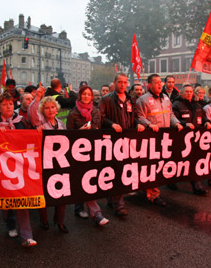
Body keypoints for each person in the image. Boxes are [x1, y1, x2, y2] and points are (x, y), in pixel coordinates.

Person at [0, 91, 37, 247]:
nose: (8, 107)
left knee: (22, 199)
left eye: (10, 104)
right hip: (0, 166)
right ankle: (10, 224)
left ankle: (26, 236)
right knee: (7, 200)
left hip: (19, 165)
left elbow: (28, 138)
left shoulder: (20, 121)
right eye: (4, 104)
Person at [100, 73, 145, 216]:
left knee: (122, 170)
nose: (123, 84)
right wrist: (112, 124)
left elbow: (135, 117)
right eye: (120, 82)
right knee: (115, 171)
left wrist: (138, 125)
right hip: (111, 141)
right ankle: (119, 204)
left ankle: (112, 198)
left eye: (125, 82)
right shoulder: (106, 100)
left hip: (127, 140)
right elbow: (100, 117)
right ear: (115, 82)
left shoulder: (131, 100)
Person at [136, 74, 183, 206]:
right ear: (149, 85)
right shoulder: (143, 100)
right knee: (151, 166)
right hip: (150, 139)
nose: (159, 85)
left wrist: (177, 123)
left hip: (164, 139)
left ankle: (149, 189)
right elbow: (139, 116)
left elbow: (171, 114)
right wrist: (149, 125)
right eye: (156, 83)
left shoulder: (166, 98)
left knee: (159, 165)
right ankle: (153, 194)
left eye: (160, 82)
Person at [67, 85, 110, 225]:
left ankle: (85, 209)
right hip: (78, 151)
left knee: (89, 180)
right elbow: (68, 134)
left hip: (93, 150)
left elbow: (98, 127)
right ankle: (93, 212)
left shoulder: (96, 111)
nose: (86, 96)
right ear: (79, 96)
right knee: (82, 179)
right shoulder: (73, 113)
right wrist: (79, 131)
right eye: (84, 94)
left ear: (92, 97)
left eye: (89, 94)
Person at [31, 94, 69, 233]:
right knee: (44, 191)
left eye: (52, 107)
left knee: (62, 192)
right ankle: (44, 220)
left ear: (57, 109)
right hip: (44, 162)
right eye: (46, 108)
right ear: (42, 110)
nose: (50, 110)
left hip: (60, 163)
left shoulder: (61, 123)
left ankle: (59, 221)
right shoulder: (39, 125)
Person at [172, 83, 211, 195]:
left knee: (193, 162)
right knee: (180, 162)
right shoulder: (176, 105)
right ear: (181, 93)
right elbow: (174, 119)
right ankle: (173, 181)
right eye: (187, 92)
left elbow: (202, 117)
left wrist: (207, 122)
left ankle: (196, 185)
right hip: (182, 139)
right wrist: (185, 124)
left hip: (196, 138)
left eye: (191, 92)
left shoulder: (197, 105)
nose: (189, 94)